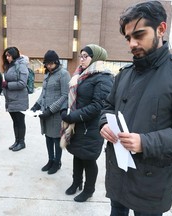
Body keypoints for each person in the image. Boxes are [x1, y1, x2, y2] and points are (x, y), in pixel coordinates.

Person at [99, 1, 172, 215]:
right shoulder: (124, 74)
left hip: (152, 182)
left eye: (139, 35)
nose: (132, 44)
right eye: (128, 38)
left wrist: (145, 142)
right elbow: (107, 106)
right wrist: (105, 123)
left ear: (161, 29)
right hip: (118, 174)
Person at [61, 44, 113, 202]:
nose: (81, 59)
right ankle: (77, 183)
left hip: (90, 127)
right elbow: (73, 96)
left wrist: (72, 117)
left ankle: (89, 190)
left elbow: (98, 106)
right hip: (78, 125)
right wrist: (67, 111)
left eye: (85, 56)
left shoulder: (103, 77)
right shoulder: (83, 74)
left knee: (88, 159)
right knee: (77, 155)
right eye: (81, 56)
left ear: (95, 57)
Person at [30, 50, 70, 174]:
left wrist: (51, 110)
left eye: (51, 63)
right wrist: (37, 105)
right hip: (45, 113)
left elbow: (65, 95)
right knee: (48, 137)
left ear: (57, 62)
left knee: (56, 139)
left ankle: (57, 162)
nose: (49, 66)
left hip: (56, 113)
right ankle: (50, 160)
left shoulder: (63, 74)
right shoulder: (48, 74)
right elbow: (43, 93)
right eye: (47, 64)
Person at [2, 47, 29, 152]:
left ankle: (22, 142)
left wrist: (7, 85)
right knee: (15, 121)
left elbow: (23, 83)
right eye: (6, 56)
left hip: (19, 98)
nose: (7, 58)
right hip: (11, 98)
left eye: (9, 55)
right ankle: (17, 141)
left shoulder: (21, 65)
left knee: (20, 121)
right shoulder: (11, 65)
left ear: (14, 55)